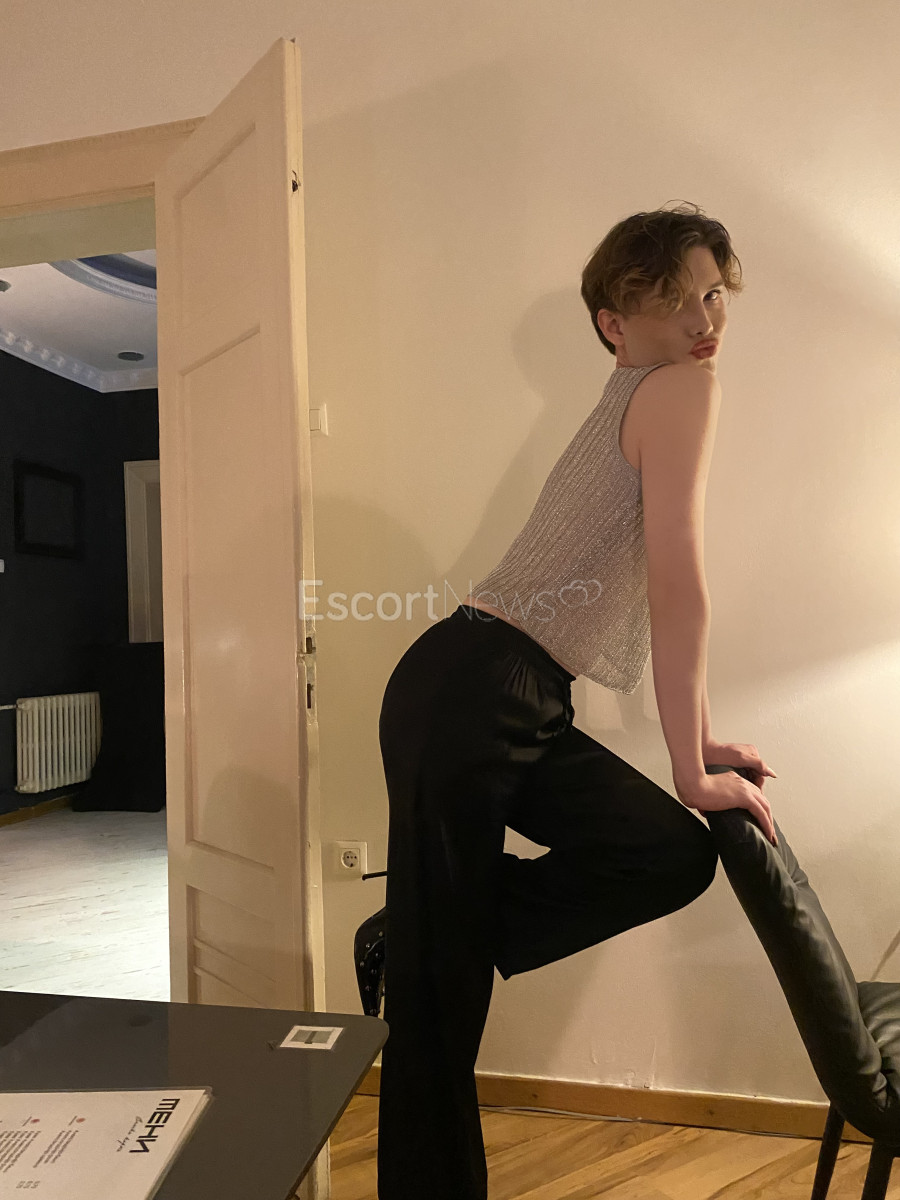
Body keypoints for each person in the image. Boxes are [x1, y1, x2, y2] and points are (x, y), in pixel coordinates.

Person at [362, 201, 778, 1200]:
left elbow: (655, 575)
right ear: (615, 324)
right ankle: (423, 946)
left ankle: (416, 934)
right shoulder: (678, 387)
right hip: (477, 687)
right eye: (674, 300)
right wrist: (688, 765)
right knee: (440, 1019)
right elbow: (676, 574)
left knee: (665, 851)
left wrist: (701, 739)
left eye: (712, 294)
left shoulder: (643, 387)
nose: (703, 320)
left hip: (490, 687)